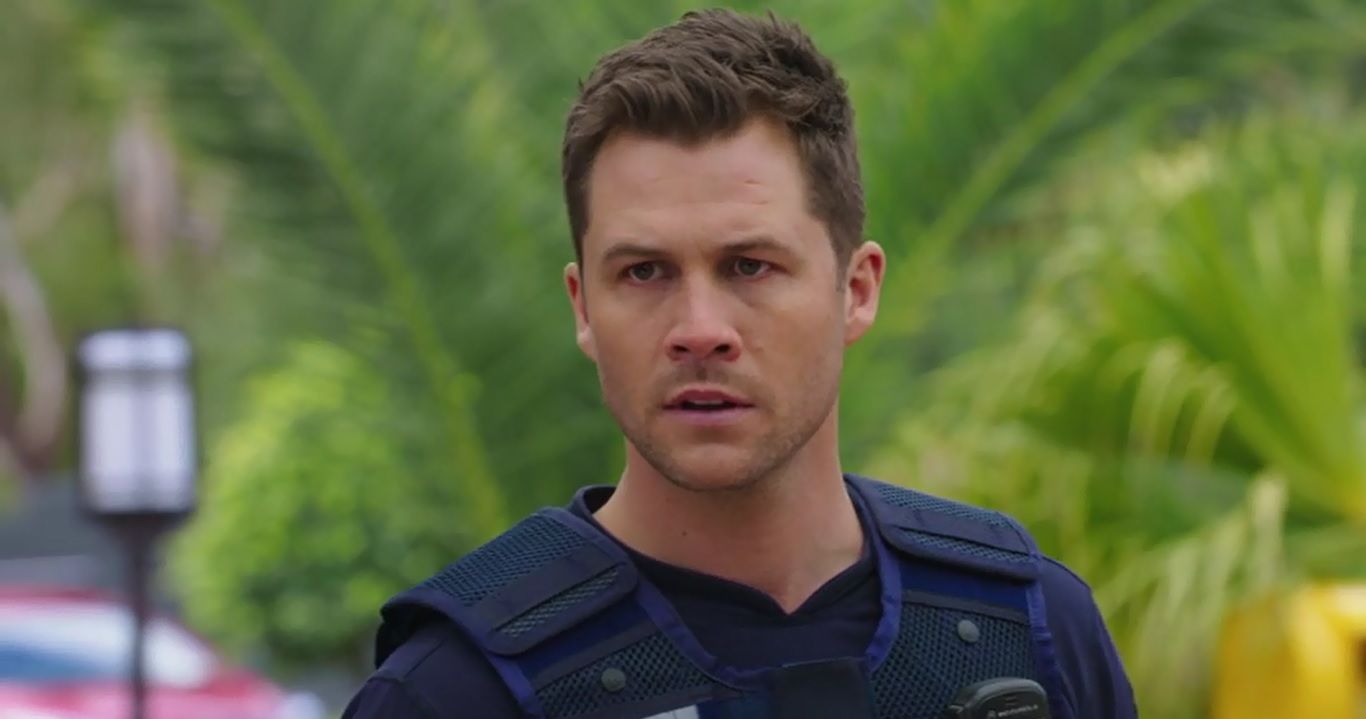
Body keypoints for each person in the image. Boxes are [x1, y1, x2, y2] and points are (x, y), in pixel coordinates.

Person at [343, 8, 1137, 719]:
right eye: (644, 272)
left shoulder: (1034, 637)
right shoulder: (453, 691)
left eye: (750, 266)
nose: (700, 329)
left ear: (857, 290)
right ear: (583, 307)